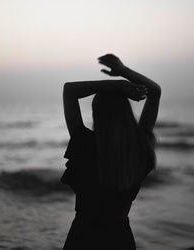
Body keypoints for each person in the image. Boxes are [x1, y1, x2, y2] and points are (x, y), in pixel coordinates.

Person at [61, 54, 161, 250]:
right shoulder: (139, 148)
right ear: (126, 112)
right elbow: (155, 92)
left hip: (82, 236)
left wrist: (113, 85)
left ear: (96, 113)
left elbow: (69, 91)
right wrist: (123, 72)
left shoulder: (85, 144)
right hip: (119, 238)